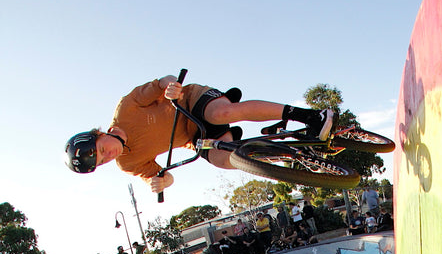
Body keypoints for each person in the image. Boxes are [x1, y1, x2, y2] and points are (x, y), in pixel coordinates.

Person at [64, 76, 336, 196]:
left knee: (221, 113)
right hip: (195, 136)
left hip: (193, 101)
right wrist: (163, 184)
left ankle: (312, 117)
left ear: (99, 135)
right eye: (102, 161)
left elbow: (162, 83)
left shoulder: (126, 108)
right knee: (226, 160)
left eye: (100, 150)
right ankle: (298, 152)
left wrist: (171, 87)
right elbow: (163, 176)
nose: (107, 156)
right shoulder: (129, 164)